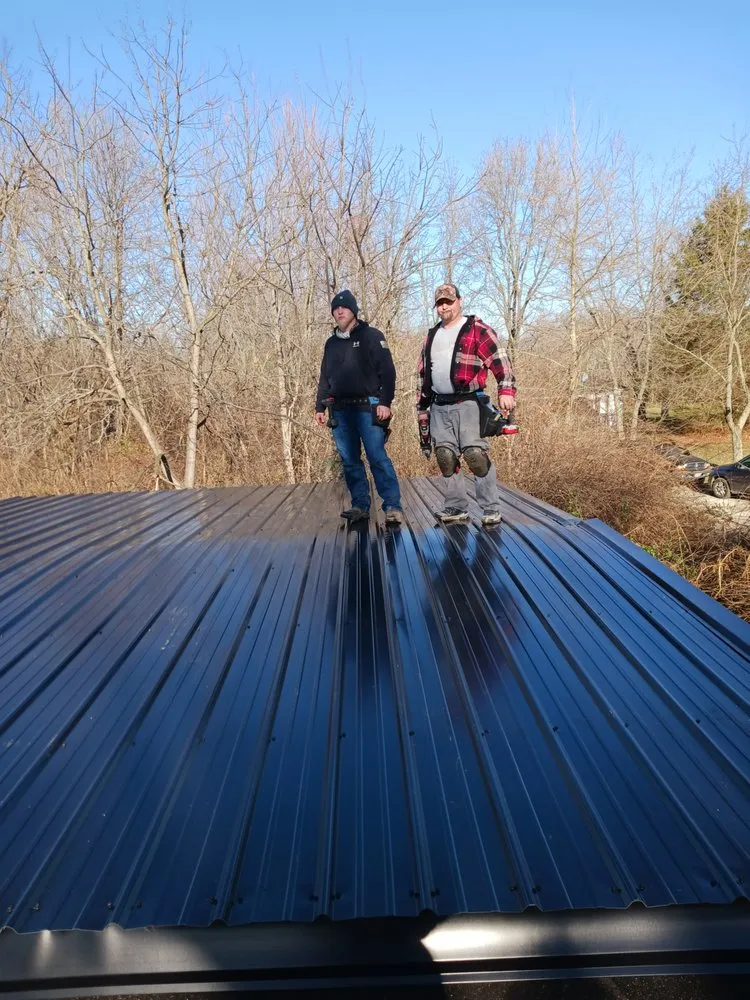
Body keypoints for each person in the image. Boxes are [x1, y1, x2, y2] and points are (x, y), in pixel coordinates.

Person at [416, 283, 516, 526]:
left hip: (469, 403)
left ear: (459, 301)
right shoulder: (432, 335)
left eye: (448, 301)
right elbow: (422, 374)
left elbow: (501, 361)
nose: (444, 307)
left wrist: (506, 390)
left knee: (475, 455)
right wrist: (421, 408)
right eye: (440, 303)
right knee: (445, 456)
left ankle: (490, 508)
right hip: (439, 405)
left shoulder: (477, 330)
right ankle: (455, 507)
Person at [315, 290, 403, 525]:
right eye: (335, 308)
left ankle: (392, 506)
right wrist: (319, 407)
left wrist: (385, 402)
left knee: (377, 456)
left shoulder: (372, 336)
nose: (339, 311)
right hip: (340, 411)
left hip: (369, 407)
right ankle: (360, 505)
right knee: (350, 460)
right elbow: (325, 378)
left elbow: (388, 372)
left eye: (344, 307)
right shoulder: (331, 343)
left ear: (354, 310)